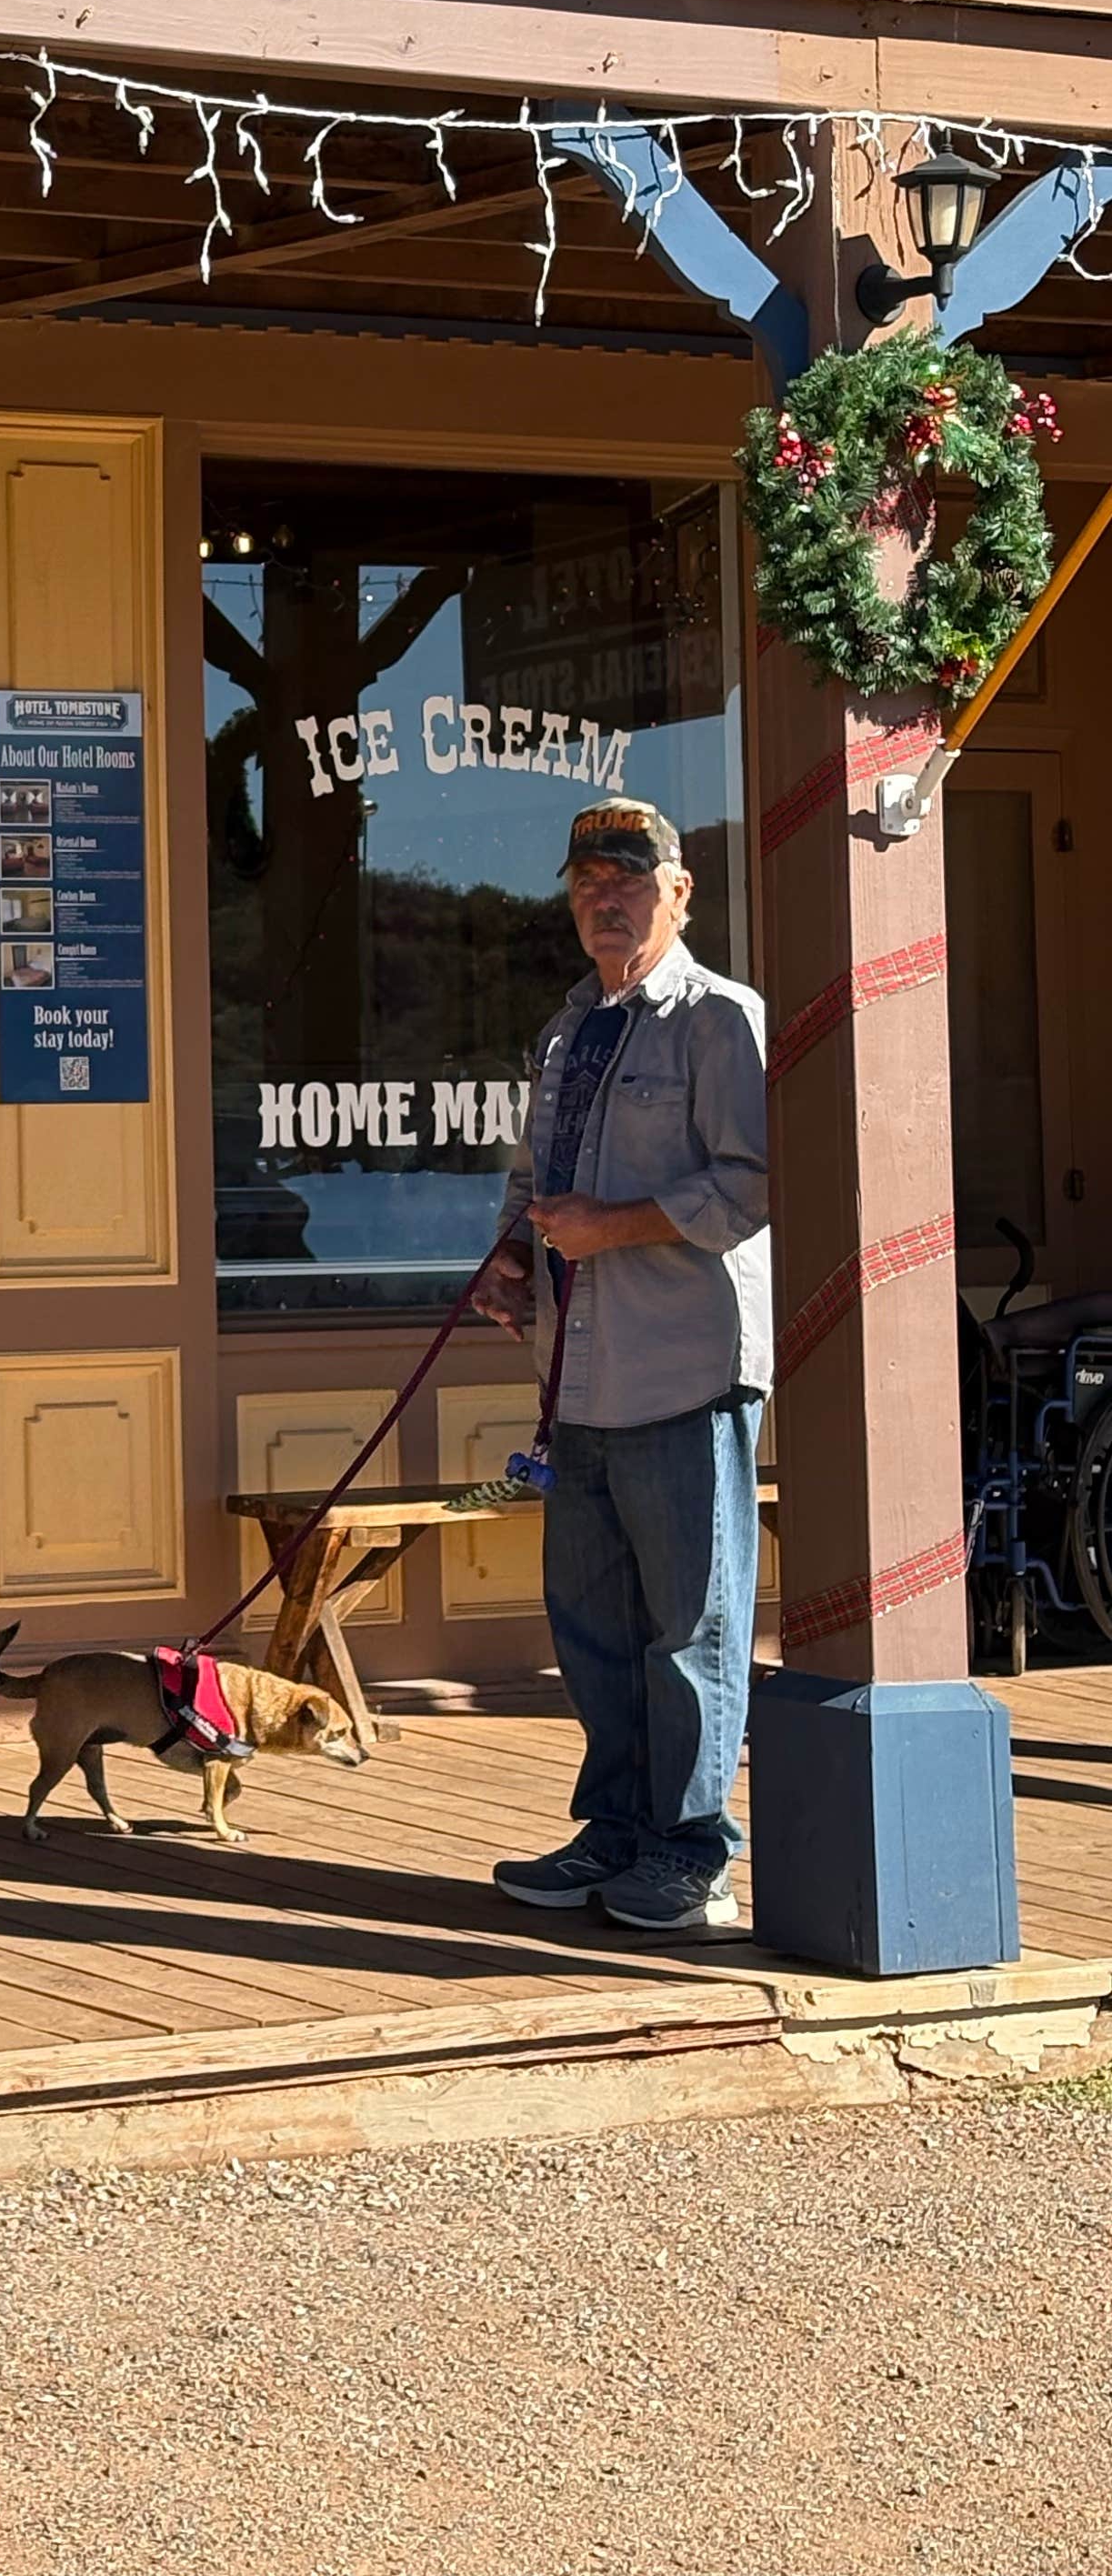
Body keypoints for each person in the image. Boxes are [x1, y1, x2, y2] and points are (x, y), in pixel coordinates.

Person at [476, 796, 771, 1937]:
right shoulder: (566, 1032)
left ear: (679, 893)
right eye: (588, 882)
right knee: (593, 1627)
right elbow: (533, 1178)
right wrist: (512, 1254)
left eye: (631, 881)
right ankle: (614, 1832)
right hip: (579, 1376)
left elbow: (753, 1185)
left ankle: (694, 1855)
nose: (607, 899)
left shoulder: (720, 1018)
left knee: (687, 1629)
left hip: (685, 1372)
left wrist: (619, 1225)